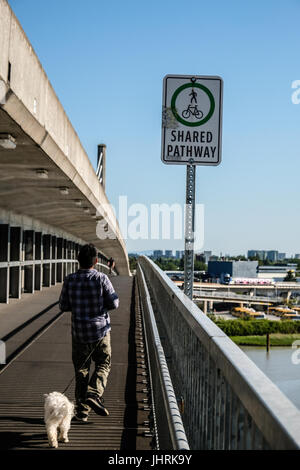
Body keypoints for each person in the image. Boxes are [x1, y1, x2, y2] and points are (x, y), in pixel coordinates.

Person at [59, 244, 119, 422]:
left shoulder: (70, 280)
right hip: (100, 331)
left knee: (81, 371)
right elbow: (114, 303)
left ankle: (82, 412)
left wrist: (77, 307)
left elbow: (63, 306)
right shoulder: (102, 278)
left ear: (78, 260)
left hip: (79, 333)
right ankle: (94, 392)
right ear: (96, 261)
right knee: (103, 364)